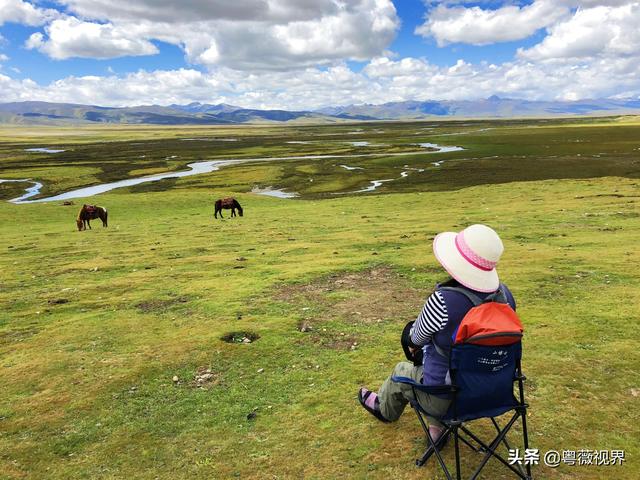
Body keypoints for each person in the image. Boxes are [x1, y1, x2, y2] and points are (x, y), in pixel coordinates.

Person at [358, 224, 516, 443]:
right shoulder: (505, 296)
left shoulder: (443, 301)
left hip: (445, 398)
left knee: (403, 371)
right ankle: (437, 428)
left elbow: (415, 339)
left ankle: (384, 410)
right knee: (452, 363)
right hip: (492, 392)